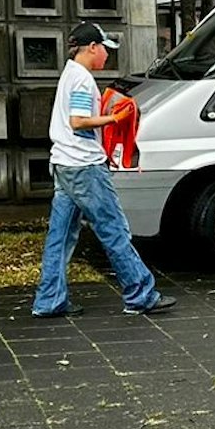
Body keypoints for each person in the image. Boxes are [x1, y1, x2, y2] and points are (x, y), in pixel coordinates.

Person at [32, 22, 178, 316]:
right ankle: (140, 294)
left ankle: (49, 300)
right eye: (105, 50)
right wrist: (114, 119)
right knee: (114, 230)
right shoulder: (83, 80)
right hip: (85, 166)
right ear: (92, 48)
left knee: (60, 236)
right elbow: (78, 121)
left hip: (63, 162)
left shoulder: (69, 74)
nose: (107, 57)